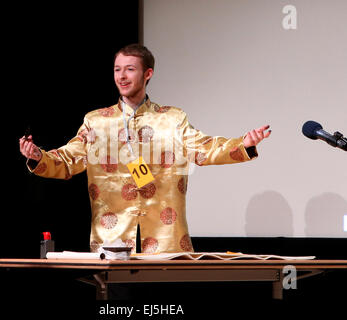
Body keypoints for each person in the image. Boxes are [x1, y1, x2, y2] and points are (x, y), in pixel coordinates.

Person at [19, 44, 271, 254]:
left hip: (165, 237)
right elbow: (66, 161)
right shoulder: (96, 121)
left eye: (130, 69)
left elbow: (204, 149)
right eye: (117, 69)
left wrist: (243, 145)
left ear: (147, 73)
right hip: (112, 238)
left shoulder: (172, 119)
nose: (122, 76)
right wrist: (38, 156)